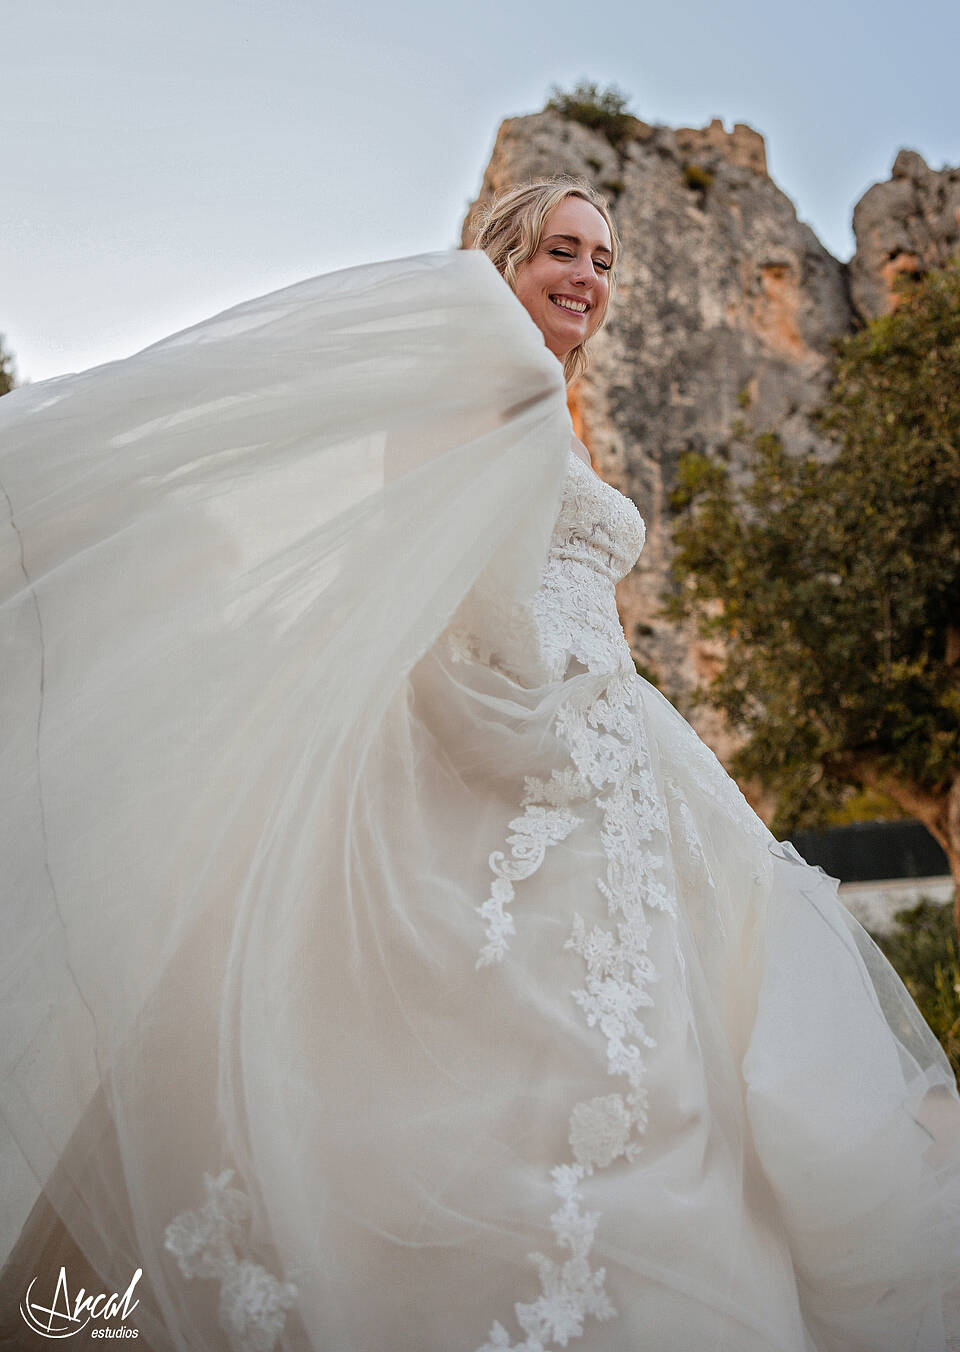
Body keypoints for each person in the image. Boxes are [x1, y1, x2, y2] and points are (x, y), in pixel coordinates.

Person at [1, 176, 958, 1352]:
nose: (588, 280)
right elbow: (451, 573)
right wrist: (538, 718)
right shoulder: (491, 379)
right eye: (563, 250)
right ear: (505, 259)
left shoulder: (535, 395)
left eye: (604, 261)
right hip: (536, 731)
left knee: (640, 1043)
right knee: (543, 1051)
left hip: (615, 747)